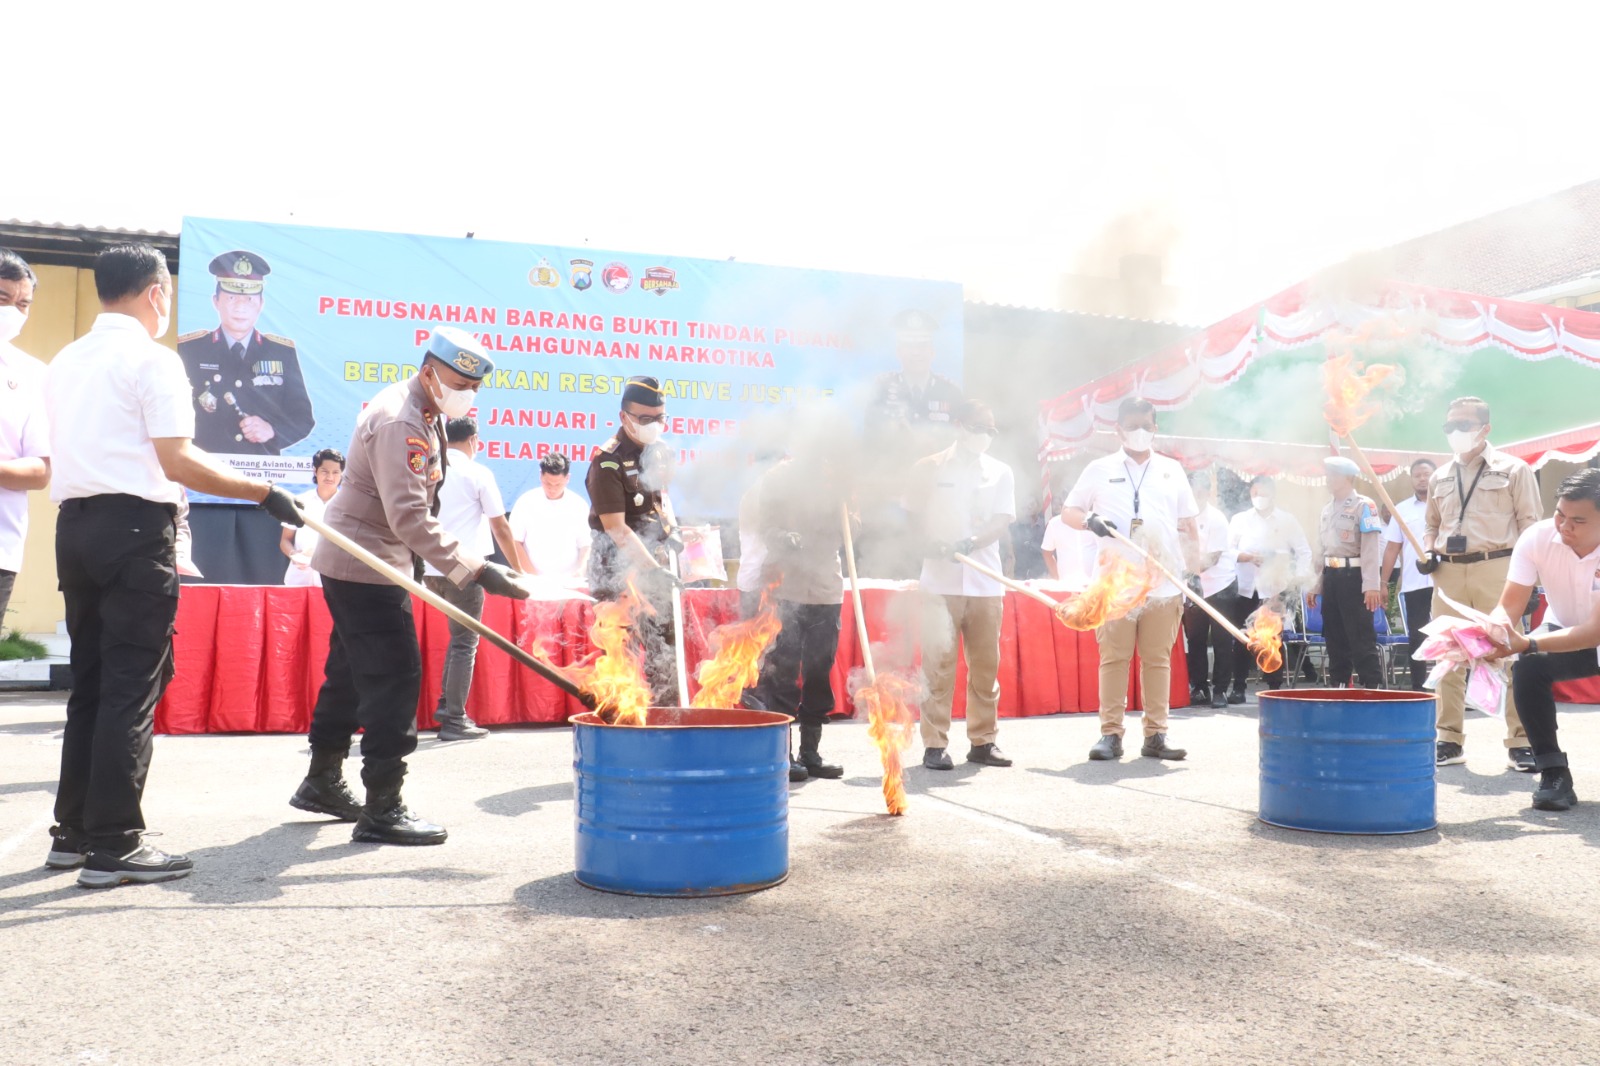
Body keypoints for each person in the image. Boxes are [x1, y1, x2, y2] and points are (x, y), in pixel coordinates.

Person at [45, 243, 305, 887]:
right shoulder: (153, 360)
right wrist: (264, 492)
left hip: (75, 528)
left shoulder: (67, 359)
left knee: (93, 683)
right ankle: (115, 843)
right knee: (131, 686)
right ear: (156, 292)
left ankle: (73, 833)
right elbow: (178, 459)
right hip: (134, 530)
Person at [293, 327, 529, 846]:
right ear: (429, 372)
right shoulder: (403, 419)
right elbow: (409, 517)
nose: (468, 394)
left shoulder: (424, 409)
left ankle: (322, 779)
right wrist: (478, 569)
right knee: (396, 676)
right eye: (460, 383)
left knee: (349, 673)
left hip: (367, 557)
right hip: (368, 563)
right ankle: (382, 805)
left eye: (474, 387)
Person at [1063, 397, 1198, 761]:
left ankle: (1156, 734)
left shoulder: (1172, 470)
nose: (1140, 431)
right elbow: (1068, 512)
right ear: (1118, 429)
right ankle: (1110, 734)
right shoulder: (1098, 469)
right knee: (1114, 659)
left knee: (1157, 660)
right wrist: (1088, 520)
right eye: (1132, 425)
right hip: (1115, 584)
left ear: (1155, 427)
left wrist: (1193, 572)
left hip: (1164, 583)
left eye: (1146, 425)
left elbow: (1189, 525)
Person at [1421, 397, 1542, 770]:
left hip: (1499, 567)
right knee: (1447, 655)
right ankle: (1449, 739)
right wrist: (1428, 550)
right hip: (1448, 572)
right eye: (1450, 426)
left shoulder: (1514, 469)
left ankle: (1521, 741)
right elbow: (1431, 525)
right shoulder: (1440, 476)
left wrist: (1532, 582)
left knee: (1509, 651)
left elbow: (1531, 526)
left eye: (1464, 425)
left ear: (1485, 428)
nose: (1455, 432)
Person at [910, 400, 1016, 770]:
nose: (984, 435)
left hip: (985, 582)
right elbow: (912, 518)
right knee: (938, 667)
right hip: (940, 583)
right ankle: (934, 744)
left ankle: (983, 741)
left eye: (990, 430)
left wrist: (971, 543)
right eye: (978, 427)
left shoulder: (1000, 472)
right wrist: (930, 543)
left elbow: (1002, 521)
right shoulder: (930, 467)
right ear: (959, 425)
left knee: (985, 668)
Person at [1486, 469, 1600, 811]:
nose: (1564, 526)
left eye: (1578, 521)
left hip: (1591, 632)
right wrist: (1492, 631)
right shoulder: (1537, 538)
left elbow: (1594, 632)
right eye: (1560, 514)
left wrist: (1528, 643)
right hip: (1563, 628)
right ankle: (1553, 773)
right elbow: (1508, 606)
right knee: (1528, 667)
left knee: (1531, 651)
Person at [423, 415, 526, 742]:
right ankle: (454, 719)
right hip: (464, 570)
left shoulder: (431, 469)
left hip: (429, 570)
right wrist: (518, 570)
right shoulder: (477, 472)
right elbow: (501, 526)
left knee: (458, 639)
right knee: (465, 643)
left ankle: (447, 706)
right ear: (473, 440)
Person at [585, 376, 682, 704]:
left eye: (659, 418)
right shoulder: (607, 460)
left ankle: (667, 720)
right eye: (644, 418)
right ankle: (623, 723)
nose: (653, 425)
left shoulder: (661, 452)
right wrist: (653, 569)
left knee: (665, 652)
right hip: (616, 568)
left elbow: (661, 500)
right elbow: (617, 529)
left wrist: (674, 530)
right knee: (620, 652)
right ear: (624, 417)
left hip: (654, 562)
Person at [756, 454, 852, 780]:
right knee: (783, 671)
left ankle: (810, 751)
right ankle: (782, 753)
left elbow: (854, 529)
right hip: (788, 587)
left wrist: (846, 512)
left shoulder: (839, 475)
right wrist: (782, 537)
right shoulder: (779, 477)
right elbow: (765, 526)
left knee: (819, 670)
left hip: (826, 588)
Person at [177, 249, 314, 455]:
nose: (240, 308)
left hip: (259, 468)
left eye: (249, 299)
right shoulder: (190, 349)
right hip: (204, 466)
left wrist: (272, 431)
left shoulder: (281, 353)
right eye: (232, 298)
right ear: (216, 301)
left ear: (261, 304)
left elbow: (303, 419)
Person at [0, 249, 50, 626]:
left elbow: (41, 470)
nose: (12, 312)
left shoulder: (32, 374)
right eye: (3, 299)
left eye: (23, 304)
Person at [1228, 475, 1312, 691]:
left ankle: (1274, 686)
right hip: (1246, 588)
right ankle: (1239, 686)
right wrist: (1246, 557)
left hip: (1275, 590)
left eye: (1263, 493)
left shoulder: (1286, 520)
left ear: (1272, 494)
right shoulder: (1240, 519)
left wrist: (1295, 580)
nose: (1258, 497)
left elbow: (1304, 551)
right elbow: (1227, 550)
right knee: (1243, 637)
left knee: (1273, 637)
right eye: (1254, 493)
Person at [1310, 456, 1385, 689]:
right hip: (1331, 577)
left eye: (1334, 474)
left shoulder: (1364, 506)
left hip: (1355, 577)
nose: (1328, 479)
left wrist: (1371, 585)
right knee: (1334, 638)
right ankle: (1340, 687)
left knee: (1361, 637)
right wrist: (1316, 584)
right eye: (1328, 474)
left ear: (1348, 477)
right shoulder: (1326, 509)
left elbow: (1371, 549)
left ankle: (1372, 689)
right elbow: (1321, 551)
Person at [1183, 470, 1242, 707]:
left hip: (1220, 586)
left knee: (1221, 640)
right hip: (1193, 587)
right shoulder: (1180, 518)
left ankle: (1220, 690)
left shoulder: (1216, 518)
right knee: (1195, 639)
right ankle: (1199, 688)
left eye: (1199, 492)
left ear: (1207, 493)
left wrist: (1188, 572)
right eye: (1191, 493)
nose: (1195, 497)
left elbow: (1213, 558)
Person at [1382, 458, 1436, 691]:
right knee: (1417, 636)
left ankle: (1452, 689)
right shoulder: (1401, 510)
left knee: (1450, 634)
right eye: (1417, 475)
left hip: (1446, 581)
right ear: (1412, 479)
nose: (1422, 479)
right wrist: (1383, 583)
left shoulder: (1448, 505)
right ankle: (1419, 689)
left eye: (1426, 474)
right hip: (1415, 583)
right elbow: (1392, 548)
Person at [508, 453, 590, 583]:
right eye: (547, 483)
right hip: (532, 581)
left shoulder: (579, 505)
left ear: (567, 478)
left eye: (557, 484)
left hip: (569, 582)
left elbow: (586, 545)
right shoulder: (526, 502)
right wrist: (533, 577)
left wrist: (581, 570)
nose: (552, 489)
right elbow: (515, 542)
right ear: (540, 475)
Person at [279, 448, 345, 587]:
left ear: (342, 474)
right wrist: (294, 554)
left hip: (333, 581)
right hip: (298, 579)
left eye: (335, 472)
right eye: (325, 471)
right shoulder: (299, 502)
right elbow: (285, 540)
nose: (330, 477)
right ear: (315, 471)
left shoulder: (348, 506)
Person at [1040, 501, 1099, 590]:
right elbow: (1047, 553)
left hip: (1095, 586)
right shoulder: (1054, 523)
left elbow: (1107, 549)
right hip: (1066, 585)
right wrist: (1057, 579)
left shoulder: (1096, 521)